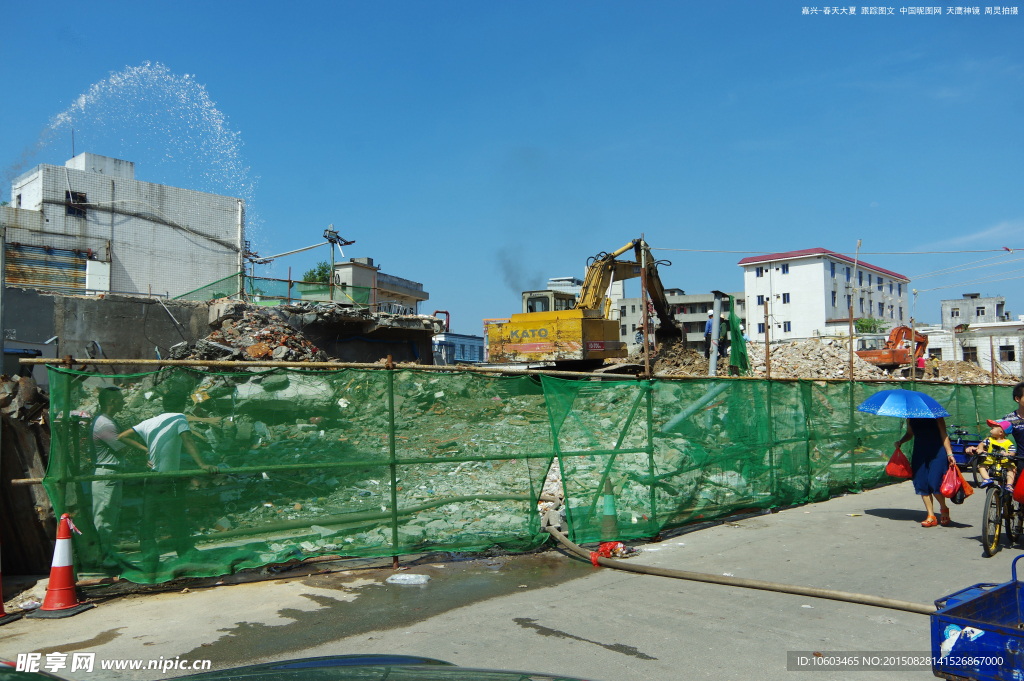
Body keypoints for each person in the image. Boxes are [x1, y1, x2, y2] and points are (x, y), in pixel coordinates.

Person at [118, 392, 218, 572]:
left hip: (151, 477)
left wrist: (145, 450)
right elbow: (187, 439)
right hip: (168, 478)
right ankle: (186, 553)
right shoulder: (179, 418)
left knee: (148, 519)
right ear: (182, 406)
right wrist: (202, 464)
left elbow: (121, 436)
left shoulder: (150, 421)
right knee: (177, 517)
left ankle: (150, 558)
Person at [895, 416, 956, 527]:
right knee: (921, 483)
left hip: (938, 453)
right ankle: (931, 515)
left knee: (934, 482)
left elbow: (944, 434)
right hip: (920, 453)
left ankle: (943, 507)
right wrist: (901, 441)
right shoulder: (910, 418)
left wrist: (949, 453)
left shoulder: (936, 417)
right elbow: (910, 433)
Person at [90, 387, 128, 565]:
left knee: (111, 515)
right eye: (120, 399)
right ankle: (103, 557)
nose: (123, 402)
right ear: (111, 401)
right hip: (106, 474)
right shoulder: (104, 424)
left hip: (112, 472)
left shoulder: (107, 421)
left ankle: (108, 554)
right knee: (104, 517)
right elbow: (122, 447)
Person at [967, 420, 1017, 491]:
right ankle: (987, 479)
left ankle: (1009, 485)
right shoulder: (989, 440)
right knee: (981, 466)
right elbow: (981, 444)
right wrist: (980, 449)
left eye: (992, 428)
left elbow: (1012, 453)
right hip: (991, 460)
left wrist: (1008, 454)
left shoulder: (1008, 443)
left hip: (1005, 461)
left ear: (1001, 432)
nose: (990, 431)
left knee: (1012, 469)